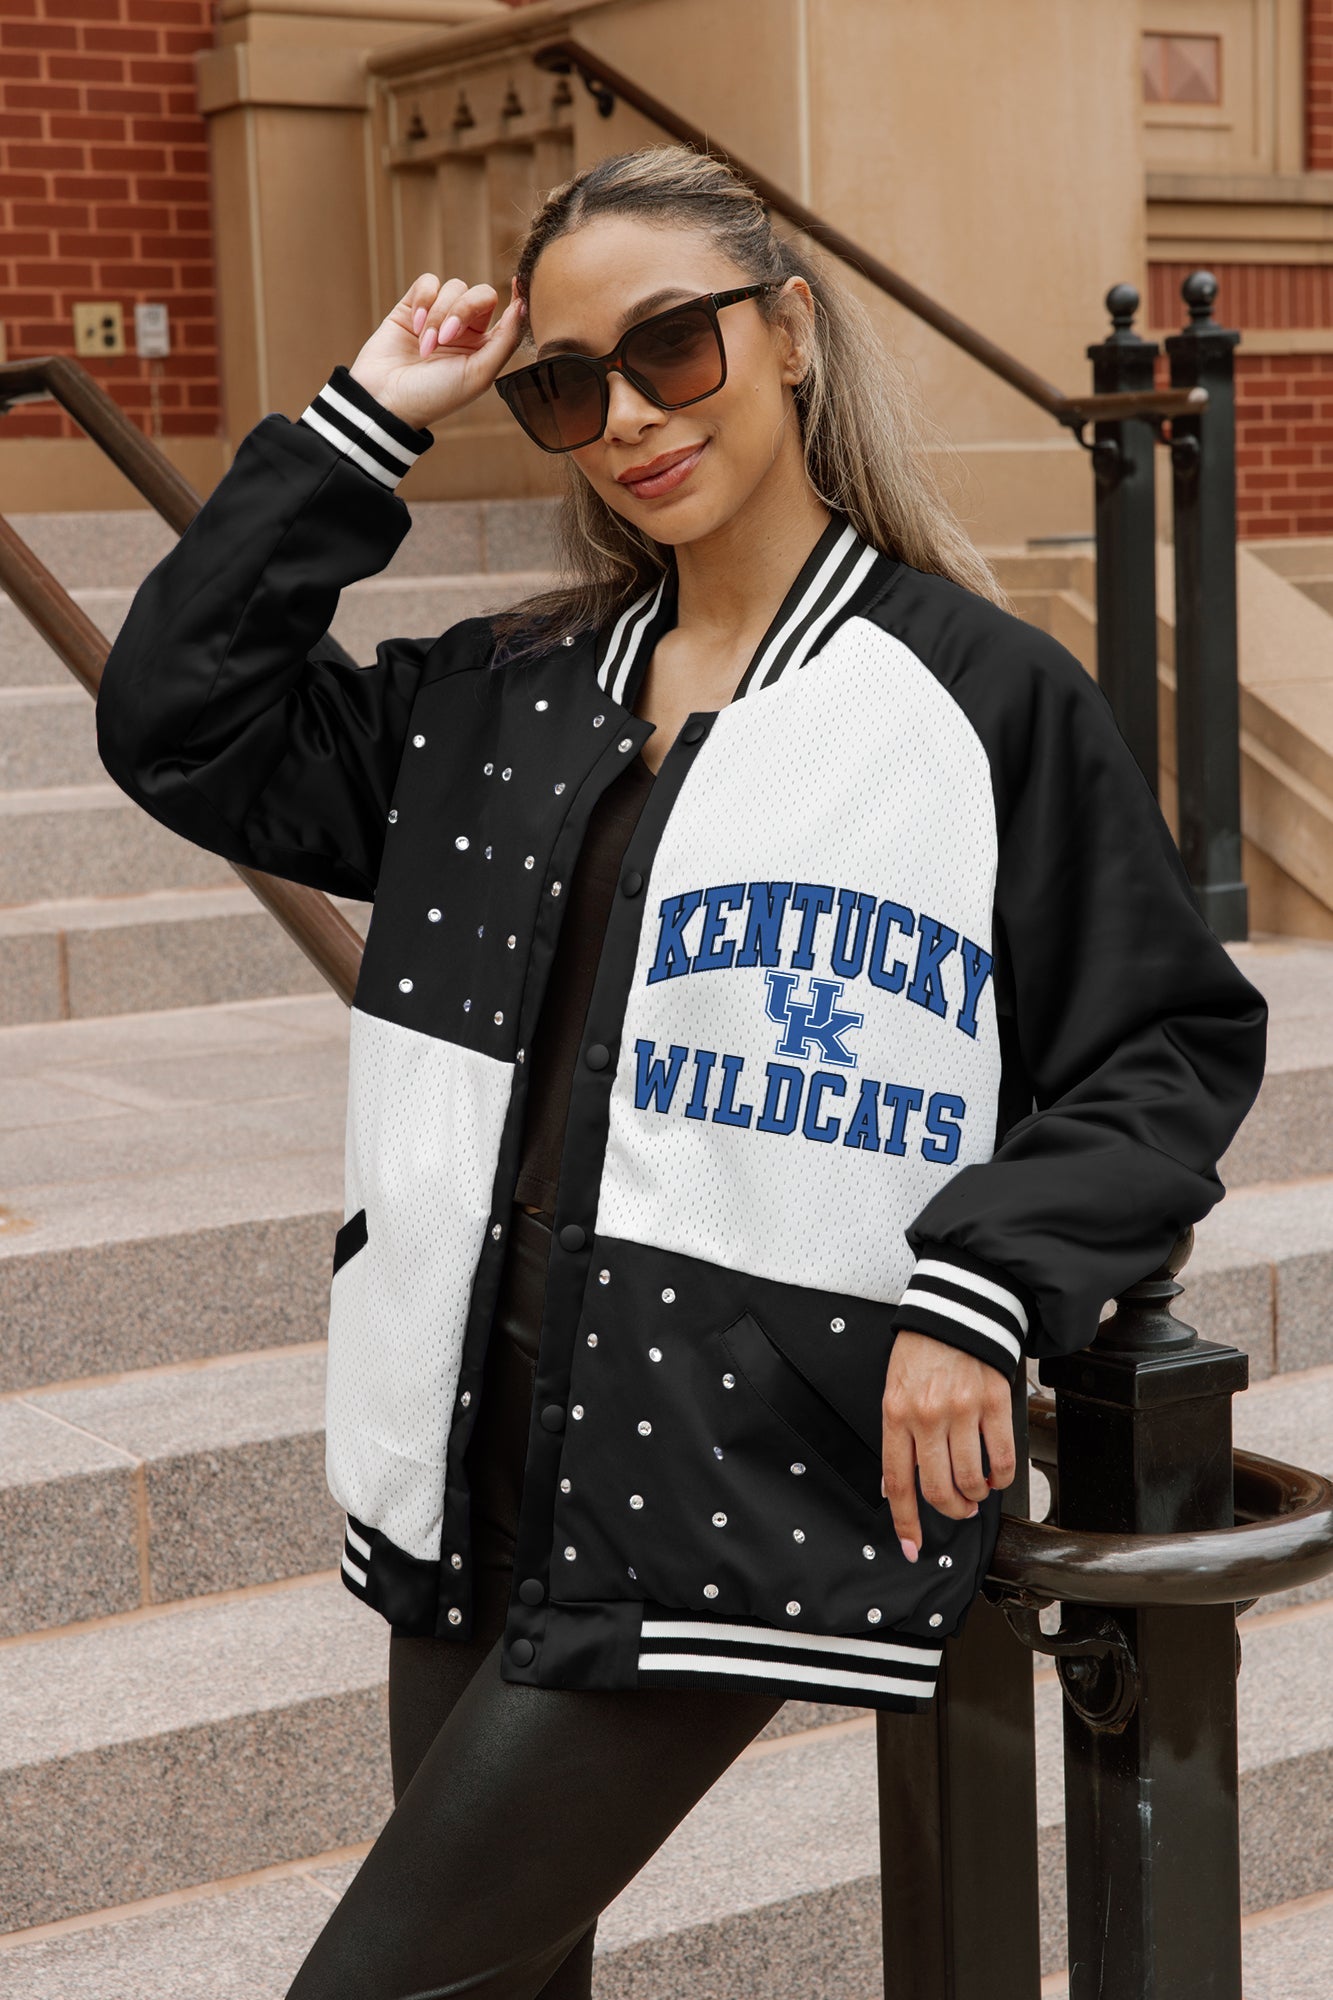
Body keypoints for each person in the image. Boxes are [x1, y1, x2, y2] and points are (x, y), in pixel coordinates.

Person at [95, 144, 1267, 1999]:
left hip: (734, 1443)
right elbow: (178, 716)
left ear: (788, 331)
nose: (628, 418)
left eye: (671, 349)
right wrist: (363, 422)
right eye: (567, 387)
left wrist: (981, 1292)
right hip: (461, 1437)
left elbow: (1164, 1041)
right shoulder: (498, 691)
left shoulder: (973, 697)